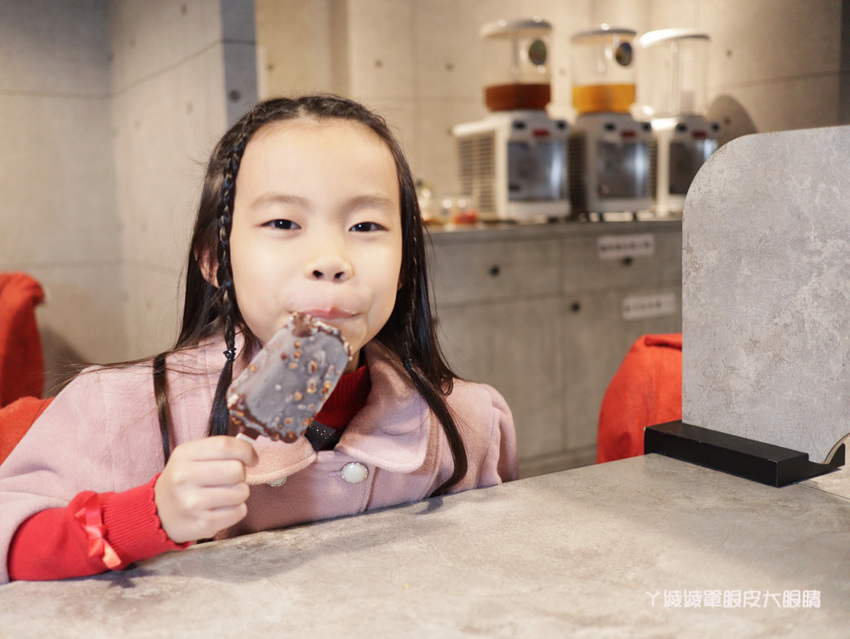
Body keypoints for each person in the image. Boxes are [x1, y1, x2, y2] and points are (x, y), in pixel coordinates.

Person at [0, 95, 518, 583]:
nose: (332, 260)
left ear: (405, 263)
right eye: (283, 221)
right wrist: (145, 515)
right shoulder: (119, 411)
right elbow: (12, 541)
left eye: (365, 225)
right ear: (214, 259)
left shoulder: (467, 423)